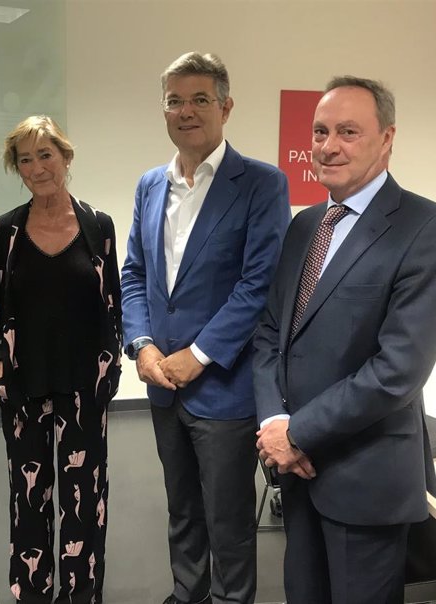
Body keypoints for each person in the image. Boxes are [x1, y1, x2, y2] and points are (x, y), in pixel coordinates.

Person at [253, 76, 436, 604]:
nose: (328, 146)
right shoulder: (305, 226)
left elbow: (397, 370)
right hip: (297, 472)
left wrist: (298, 432)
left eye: (348, 131)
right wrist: (275, 423)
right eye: (320, 131)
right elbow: (270, 334)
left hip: (363, 478)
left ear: (387, 138)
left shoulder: (429, 228)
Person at [121, 52, 290, 604]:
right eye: (175, 100)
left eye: (199, 99)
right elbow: (135, 274)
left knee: (229, 517)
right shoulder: (151, 184)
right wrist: (142, 345)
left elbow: (258, 285)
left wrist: (201, 352)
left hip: (223, 385)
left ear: (226, 106)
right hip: (163, 384)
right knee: (182, 505)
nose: (186, 111)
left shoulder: (261, 184)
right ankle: (187, 592)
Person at [0, 116, 122, 604]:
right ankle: (32, 594)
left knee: (86, 502)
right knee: (28, 499)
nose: (38, 167)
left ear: (65, 156)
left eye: (46, 155)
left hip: (85, 387)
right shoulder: (5, 231)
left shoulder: (98, 225)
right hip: (23, 385)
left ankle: (81, 595)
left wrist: (111, 370)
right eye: (25, 158)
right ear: (16, 168)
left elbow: (113, 303)